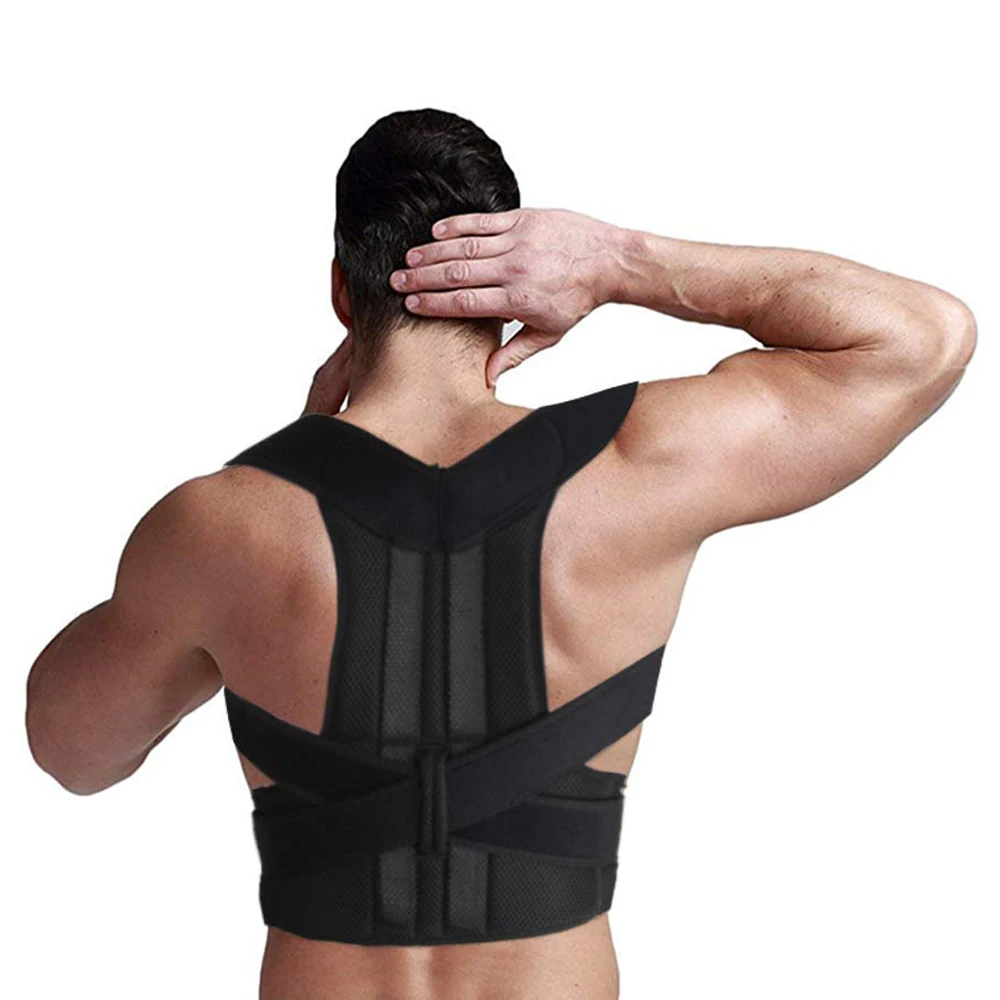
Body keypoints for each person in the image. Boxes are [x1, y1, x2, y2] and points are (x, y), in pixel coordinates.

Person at [25, 109, 976, 1000]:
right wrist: (617, 262)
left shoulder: (217, 527)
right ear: (511, 291)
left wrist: (258, 531)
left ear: (341, 290)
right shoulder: (639, 469)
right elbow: (924, 338)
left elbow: (72, 752)